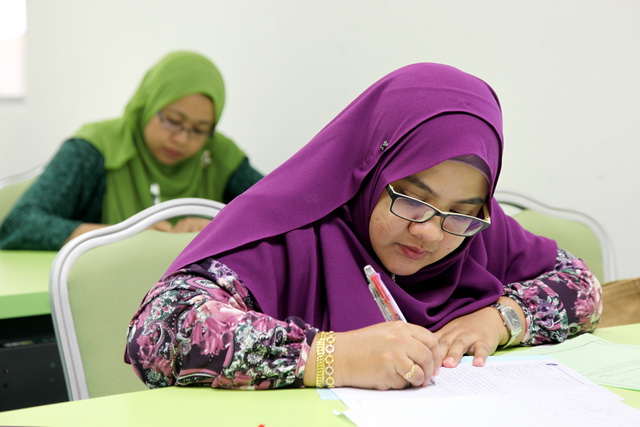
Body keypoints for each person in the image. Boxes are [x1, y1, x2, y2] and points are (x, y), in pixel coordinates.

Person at [125, 63, 602, 391]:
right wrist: (334, 356)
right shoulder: (291, 232)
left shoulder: (476, 231)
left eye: (460, 211)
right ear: (372, 168)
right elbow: (159, 332)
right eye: (412, 199)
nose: (431, 233)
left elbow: (582, 286)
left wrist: (503, 319)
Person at [0, 51, 263, 251]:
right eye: (172, 121)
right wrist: (121, 234)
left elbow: (278, 214)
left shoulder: (219, 155)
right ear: (149, 103)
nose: (182, 139)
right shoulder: (94, 149)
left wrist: (219, 227)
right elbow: (19, 224)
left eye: (199, 129)